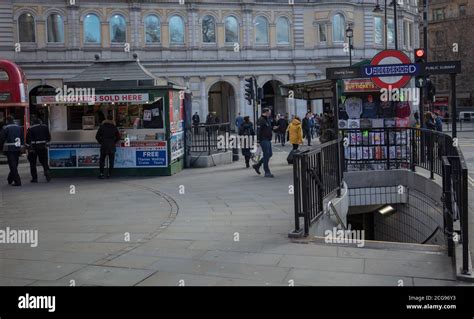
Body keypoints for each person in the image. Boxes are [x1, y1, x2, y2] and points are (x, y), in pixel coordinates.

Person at [26, 118, 51, 183]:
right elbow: (48, 137)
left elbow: (28, 140)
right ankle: (47, 171)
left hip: (34, 148)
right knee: (44, 161)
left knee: (33, 163)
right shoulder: (45, 127)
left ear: (33, 122)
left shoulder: (31, 128)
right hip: (43, 146)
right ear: (40, 122)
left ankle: (35, 178)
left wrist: (28, 147)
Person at [96, 114, 121, 179]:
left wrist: (101, 142)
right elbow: (118, 137)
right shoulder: (114, 127)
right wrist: (113, 142)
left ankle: (101, 174)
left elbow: (97, 136)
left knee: (102, 160)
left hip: (104, 145)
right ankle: (109, 174)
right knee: (111, 160)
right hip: (111, 146)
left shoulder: (102, 126)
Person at [0, 116, 22, 186]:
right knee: (15, 164)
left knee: (12, 165)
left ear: (7, 121)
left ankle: (17, 181)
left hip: (10, 149)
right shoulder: (19, 127)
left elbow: (1, 139)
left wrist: (0, 148)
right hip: (18, 148)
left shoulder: (6, 128)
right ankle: (10, 178)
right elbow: (22, 138)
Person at [253, 108, 275, 178]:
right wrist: (258, 141)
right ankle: (267, 172)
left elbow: (268, 128)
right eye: (269, 112)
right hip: (263, 140)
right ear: (266, 112)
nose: (270, 114)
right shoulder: (260, 120)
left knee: (270, 154)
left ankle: (257, 165)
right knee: (266, 154)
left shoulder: (267, 119)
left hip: (268, 139)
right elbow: (258, 131)